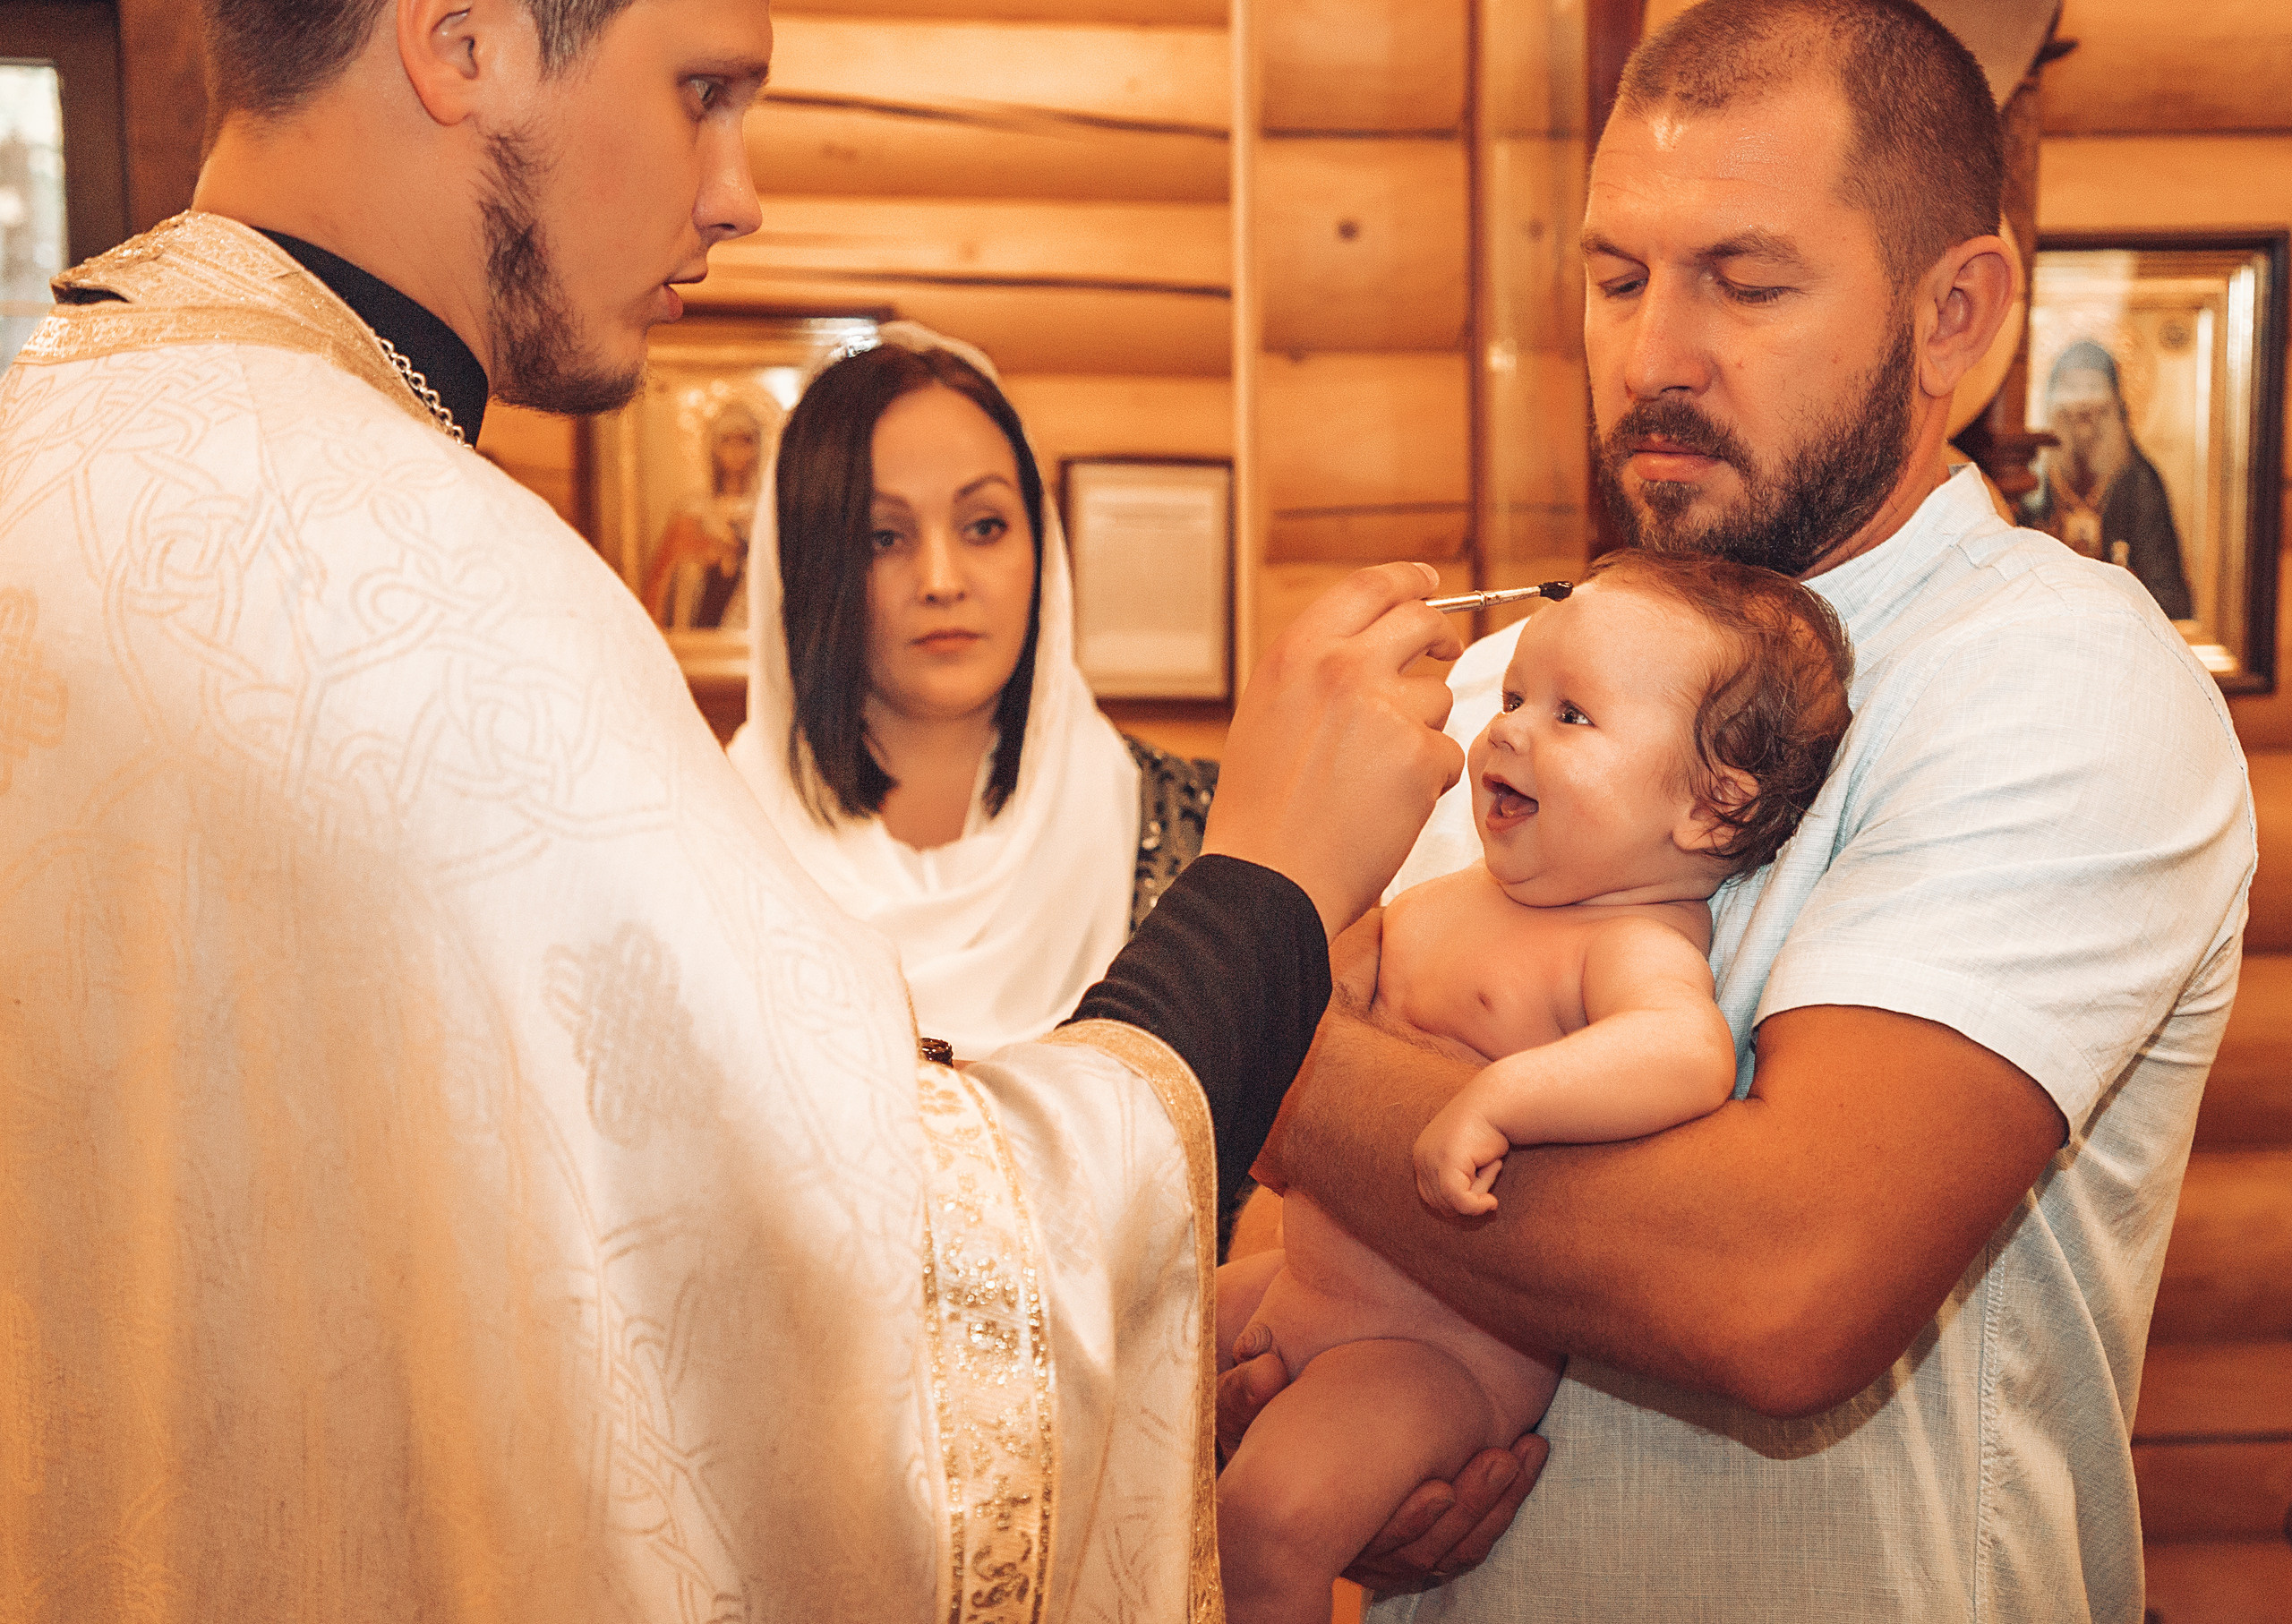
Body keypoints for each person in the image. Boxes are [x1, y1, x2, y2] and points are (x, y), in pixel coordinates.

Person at [0, 1, 1500, 1617]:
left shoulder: (65, 450)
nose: (739, 191)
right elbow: (878, 1320)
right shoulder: (433, 586)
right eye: (702, 90)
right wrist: (1269, 879)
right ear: (466, 43)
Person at [1225, 1, 2255, 1619]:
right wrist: (1319, 1428)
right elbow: (1324, 1263)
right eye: (1616, 276)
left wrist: (1254, 1040)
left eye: (1747, 282)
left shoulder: (2056, 674)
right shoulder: (1516, 678)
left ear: (1954, 314)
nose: (1652, 358)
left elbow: (1779, 1278)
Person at [1213, 552, 1852, 1624]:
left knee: (1267, 1518)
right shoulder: (1457, 889)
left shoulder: (1628, 936)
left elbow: (1680, 1050)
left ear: (1710, 806)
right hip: (1303, 1283)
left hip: (1432, 1355)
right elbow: (1321, 991)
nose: (1508, 728)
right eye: (1512, 696)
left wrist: (1502, 1098)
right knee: (1117, 1330)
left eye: (1571, 715)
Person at [727, 325, 1219, 1061]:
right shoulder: (716, 837)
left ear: (1040, 548)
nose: (942, 581)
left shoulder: (1196, 835)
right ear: (811, 569)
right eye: (882, 538)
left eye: (984, 527)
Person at [2022, 338, 2194, 619]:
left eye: (2094, 388)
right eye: (2071, 388)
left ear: (2114, 400)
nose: (2082, 404)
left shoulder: (2140, 481)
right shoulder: (2029, 476)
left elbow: (2167, 592)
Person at [644, 397, 764, 629]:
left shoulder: (764, 512)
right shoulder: (693, 509)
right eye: (727, 441)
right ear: (714, 447)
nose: (736, 451)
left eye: (745, 441)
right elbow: (666, 574)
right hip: (701, 622)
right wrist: (706, 551)